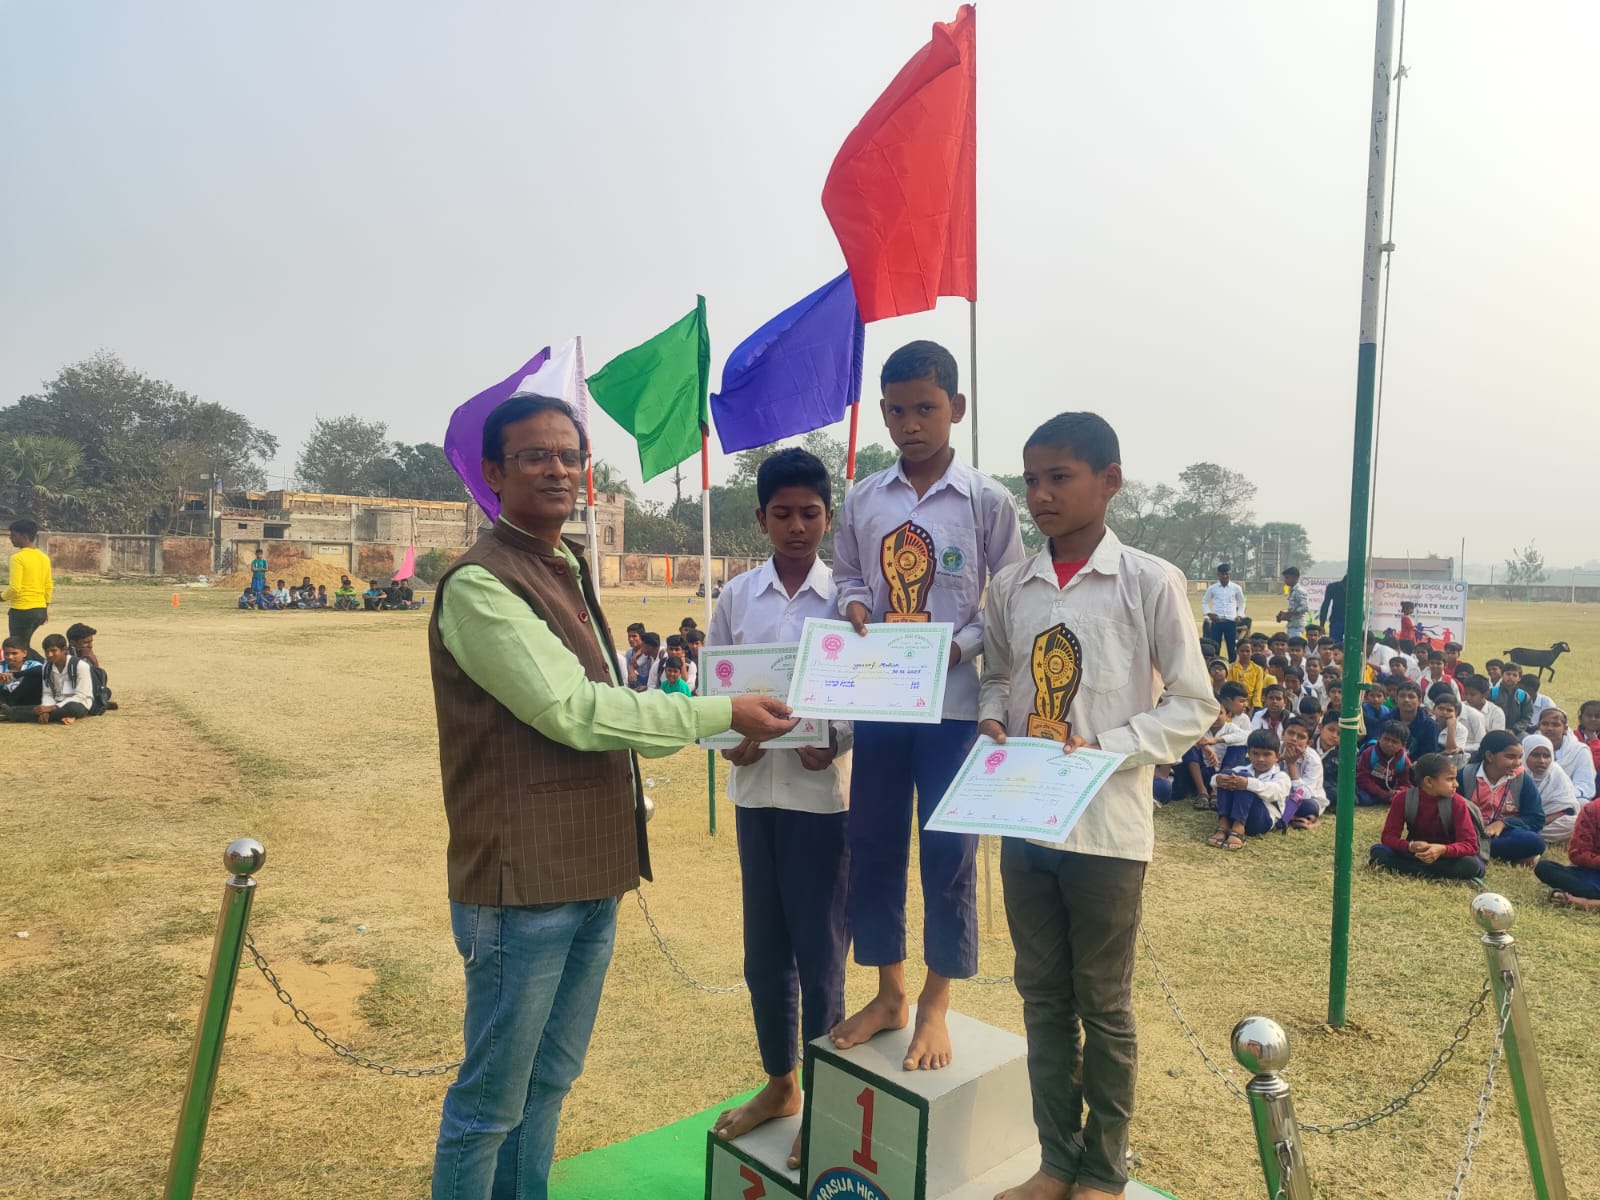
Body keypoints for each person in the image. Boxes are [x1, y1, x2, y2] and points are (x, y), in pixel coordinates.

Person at [426, 393, 797, 1200]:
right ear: (493, 473)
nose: (557, 470)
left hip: (589, 871)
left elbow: (610, 708)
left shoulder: (559, 564)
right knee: (490, 1104)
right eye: (534, 455)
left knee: (549, 1081)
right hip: (522, 884)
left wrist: (718, 726)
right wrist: (718, 713)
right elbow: (576, 711)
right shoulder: (482, 583)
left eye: (571, 456)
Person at [978, 410, 1213, 1200]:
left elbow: (1194, 704)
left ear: (1110, 481)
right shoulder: (1011, 586)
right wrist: (991, 716)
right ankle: (1056, 1161)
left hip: (1107, 831)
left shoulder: (1148, 581)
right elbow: (996, 674)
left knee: (1104, 1006)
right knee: (1043, 1000)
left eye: (1060, 477)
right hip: (1025, 820)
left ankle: (1103, 1174)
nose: (1041, 495)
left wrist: (1105, 748)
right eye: (1031, 480)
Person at [830, 340, 1025, 1072]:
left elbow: (1008, 598)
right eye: (897, 411)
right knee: (873, 842)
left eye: (926, 408)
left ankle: (937, 1002)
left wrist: (961, 647)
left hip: (953, 705)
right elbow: (848, 575)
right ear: (882, 413)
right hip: (883, 697)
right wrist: (855, 605)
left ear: (956, 408)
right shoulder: (864, 498)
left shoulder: (987, 501)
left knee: (948, 852)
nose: (911, 424)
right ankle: (890, 993)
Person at [706, 448, 852, 1170]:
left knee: (820, 958)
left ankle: (826, 1100)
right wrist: (730, 744)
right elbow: (714, 693)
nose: (797, 527)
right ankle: (781, 1084)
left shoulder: (846, 599)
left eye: (811, 514)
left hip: (822, 802)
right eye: (783, 514)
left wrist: (839, 738)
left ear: (829, 516)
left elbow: (867, 689)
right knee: (764, 956)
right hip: (756, 795)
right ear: (761, 517)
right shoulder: (737, 597)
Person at [1369, 753, 1485, 881]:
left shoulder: (1458, 803)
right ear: (1429, 781)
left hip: (1447, 856)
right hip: (1417, 853)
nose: (1456, 784)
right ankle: (1430, 871)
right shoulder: (1402, 799)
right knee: (1379, 851)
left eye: (1455, 778)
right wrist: (1410, 846)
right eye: (1450, 779)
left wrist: (1443, 849)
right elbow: (1388, 837)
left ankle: (1412, 869)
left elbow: (1471, 845)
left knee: (1471, 865)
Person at [1458, 730, 1545, 867]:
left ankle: (1473, 849)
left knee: (1535, 842)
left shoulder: (1522, 779)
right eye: (1511, 757)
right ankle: (1506, 855)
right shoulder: (1465, 775)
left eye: (1520, 757)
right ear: (1489, 756)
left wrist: (1504, 824)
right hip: (1469, 831)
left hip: (1504, 834)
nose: (1517, 763)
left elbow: (1536, 818)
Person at [1209, 729, 1291, 848]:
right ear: (1248, 753)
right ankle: (1223, 825)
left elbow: (1274, 792)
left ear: (1277, 756)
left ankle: (1238, 830)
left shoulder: (1281, 777)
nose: (1260, 759)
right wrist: (1218, 780)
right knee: (1227, 774)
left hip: (1260, 821)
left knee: (1245, 780)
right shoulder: (1240, 769)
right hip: (1232, 817)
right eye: (1255, 753)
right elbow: (1213, 781)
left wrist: (1248, 783)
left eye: (1267, 754)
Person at [1, 632, 92, 723]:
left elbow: (80, 696)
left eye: (53, 651)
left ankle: (13, 714)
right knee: (33, 708)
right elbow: (47, 693)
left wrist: (52, 708)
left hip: (78, 703)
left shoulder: (80, 666)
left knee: (73, 708)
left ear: (64, 649)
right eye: (46, 652)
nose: (49, 655)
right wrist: (45, 708)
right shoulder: (47, 667)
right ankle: (12, 712)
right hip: (56, 702)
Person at [1533, 794, 1600, 910]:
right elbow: (1577, 853)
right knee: (1545, 867)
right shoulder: (1592, 810)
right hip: (1590, 875)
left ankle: (1577, 900)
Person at [1521, 734, 1580, 844]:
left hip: (1545, 824)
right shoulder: (1516, 774)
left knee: (1575, 822)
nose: (1542, 761)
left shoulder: (1555, 772)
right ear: (1524, 755)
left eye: (1547, 756)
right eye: (1535, 755)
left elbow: (1568, 809)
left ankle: (1527, 836)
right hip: (1518, 822)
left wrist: (1539, 822)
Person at [4, 518, 52, 650]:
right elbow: (48, 585)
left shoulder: (17, 558)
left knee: (17, 647)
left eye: (14, 535)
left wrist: (2, 597)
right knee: (23, 645)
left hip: (22, 610)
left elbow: (15, 588)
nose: (10, 538)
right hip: (39, 609)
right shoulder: (43, 557)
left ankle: (36, 662)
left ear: (24, 536)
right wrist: (45, 608)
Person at [1536, 708, 1596, 802]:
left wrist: (1557, 795)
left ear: (1565, 729)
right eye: (1545, 724)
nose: (1549, 728)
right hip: (1535, 797)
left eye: (1555, 725)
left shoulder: (1579, 751)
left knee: (1582, 802)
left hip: (1567, 798)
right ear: (1539, 727)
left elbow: (1584, 785)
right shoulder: (1529, 747)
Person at [1279, 717, 1326, 828]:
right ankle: (1297, 818)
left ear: (1309, 743)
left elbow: (1304, 795)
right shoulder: (1275, 749)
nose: (1294, 739)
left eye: (1301, 737)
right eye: (1290, 733)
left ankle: (1292, 816)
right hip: (1279, 795)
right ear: (1283, 734)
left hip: (1306, 800)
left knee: (1309, 806)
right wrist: (1280, 758)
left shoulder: (1313, 760)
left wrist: (1291, 764)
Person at [1355, 723, 1412, 806]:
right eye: (1386, 739)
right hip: (1369, 789)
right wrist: (1382, 794)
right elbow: (1362, 778)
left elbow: (1406, 784)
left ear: (1403, 745)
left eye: (1394, 742)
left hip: (1390, 792)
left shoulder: (1404, 761)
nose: (1389, 744)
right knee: (1365, 799)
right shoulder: (1369, 753)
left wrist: (1397, 792)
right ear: (1379, 737)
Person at [65, 622, 113, 714]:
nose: (90, 645)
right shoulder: (65, 656)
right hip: (70, 691)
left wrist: (94, 662)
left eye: (91, 641)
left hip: (87, 689)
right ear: (72, 643)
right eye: (86, 642)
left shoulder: (86, 654)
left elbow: (99, 682)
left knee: (107, 691)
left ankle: (96, 702)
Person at [1201, 562, 1246, 661]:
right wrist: (1209, 614)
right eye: (1222, 574)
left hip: (1231, 621)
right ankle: (1215, 665)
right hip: (1217, 621)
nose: (1225, 576)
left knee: (1232, 647)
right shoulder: (1212, 588)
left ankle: (1232, 667)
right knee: (1215, 646)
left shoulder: (1236, 588)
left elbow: (1242, 603)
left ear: (1230, 574)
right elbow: (1204, 602)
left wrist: (1239, 615)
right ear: (1218, 575)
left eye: (1227, 574)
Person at [1391, 682, 1439, 758]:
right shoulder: (1387, 720)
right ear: (1396, 699)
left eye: (1411, 697)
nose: (1406, 700)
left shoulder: (1430, 725)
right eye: (1402, 696)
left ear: (1419, 701)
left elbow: (1430, 755)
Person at [0, 636, 44, 707]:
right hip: (4, 700)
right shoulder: (1, 666)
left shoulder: (32, 665)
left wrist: (14, 674)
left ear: (24, 653)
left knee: (34, 676)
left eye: (14, 653)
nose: (10, 657)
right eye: (6, 654)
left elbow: (42, 670)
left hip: (26, 701)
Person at [1490, 664, 1533, 734]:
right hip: (1494, 730)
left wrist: (1514, 730)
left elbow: (1527, 717)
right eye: (1508, 674)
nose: (1511, 677)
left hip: (1516, 732)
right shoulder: (1492, 693)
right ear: (1502, 675)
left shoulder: (1523, 696)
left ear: (1519, 678)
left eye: (1515, 675)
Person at [1432, 695, 1469, 771]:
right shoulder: (1428, 723)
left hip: (1449, 764)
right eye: (1441, 708)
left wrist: (1451, 728)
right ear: (1433, 709)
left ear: (1456, 713)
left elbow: (1451, 750)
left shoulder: (1461, 729)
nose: (1444, 712)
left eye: (1449, 710)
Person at [1226, 640, 1266, 709]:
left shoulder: (1258, 669)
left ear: (1252, 651)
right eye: (1242, 651)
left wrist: (1254, 706)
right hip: (1235, 703)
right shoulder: (1231, 668)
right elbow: (1230, 686)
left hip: (1253, 705)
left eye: (1248, 651)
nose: (1245, 654)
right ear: (1237, 652)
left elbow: (1258, 689)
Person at [1277, 566, 1308, 638]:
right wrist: (1284, 616)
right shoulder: (1292, 590)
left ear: (1295, 578)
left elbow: (1304, 607)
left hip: (1297, 627)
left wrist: (1288, 614)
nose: (1285, 580)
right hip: (1292, 625)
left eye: (1287, 578)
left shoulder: (1299, 591)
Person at [1317, 575, 1346, 644]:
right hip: (1337, 620)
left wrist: (1322, 624)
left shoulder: (1333, 587)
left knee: (1336, 644)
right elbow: (1325, 605)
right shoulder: (1333, 587)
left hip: (1343, 620)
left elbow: (1325, 605)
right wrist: (1322, 624)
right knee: (1335, 644)